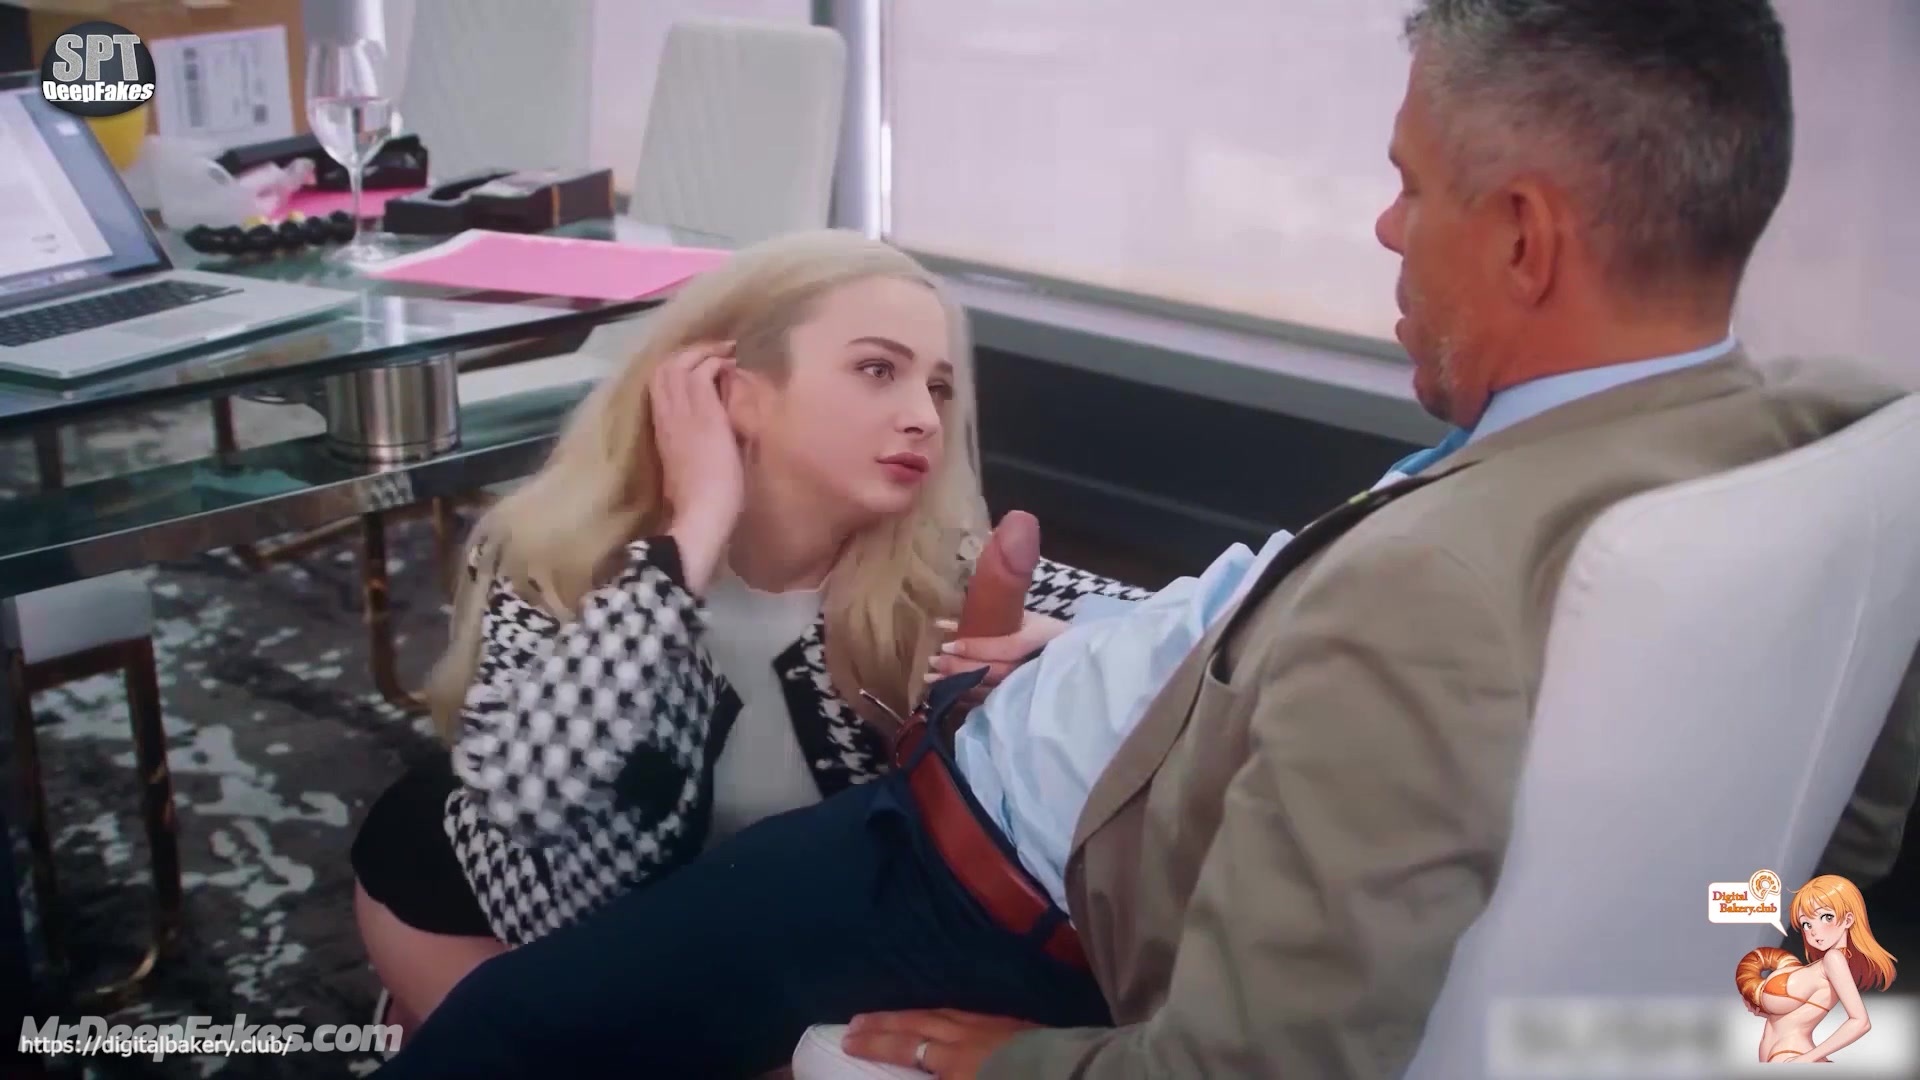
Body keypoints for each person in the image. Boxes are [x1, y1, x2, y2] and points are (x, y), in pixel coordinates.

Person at [371, 2, 1920, 1076]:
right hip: (1056, 744)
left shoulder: (1432, 595)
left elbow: (1264, 1059)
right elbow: (1844, 805)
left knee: (501, 1035)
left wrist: (1037, 1067)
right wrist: (1768, 977)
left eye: (1412, 187)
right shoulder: (1826, 437)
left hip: (966, 868)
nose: (1387, 229)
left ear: (1522, 235)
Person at [347, 229, 1147, 1035]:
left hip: (751, 955)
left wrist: (1076, 655)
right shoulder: (552, 554)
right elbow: (534, 797)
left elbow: (1196, 643)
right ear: (734, 390)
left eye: (938, 388)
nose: (922, 418)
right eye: (878, 370)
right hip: (503, 917)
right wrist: (691, 534)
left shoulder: (944, 571)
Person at [1735, 875, 1898, 1064]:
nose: (1813, 930)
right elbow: (1800, 1015)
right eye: (1806, 923)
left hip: (1792, 1054)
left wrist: (1806, 1059)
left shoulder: (1834, 959)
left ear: (1848, 919)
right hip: (1784, 1054)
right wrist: (1766, 1012)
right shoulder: (1824, 964)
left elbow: (1860, 1022)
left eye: (1826, 917)